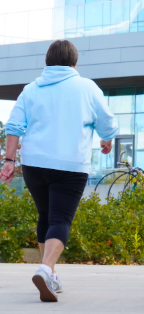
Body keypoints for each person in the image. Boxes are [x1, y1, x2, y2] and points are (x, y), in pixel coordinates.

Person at [0, 40, 118, 303]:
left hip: (34, 164)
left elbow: (14, 126)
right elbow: (107, 121)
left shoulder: (31, 90)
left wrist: (9, 160)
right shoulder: (86, 87)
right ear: (74, 63)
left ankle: (50, 273)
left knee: (46, 216)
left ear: (47, 62)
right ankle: (45, 268)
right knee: (61, 219)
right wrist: (107, 138)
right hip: (69, 164)